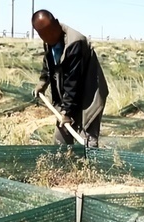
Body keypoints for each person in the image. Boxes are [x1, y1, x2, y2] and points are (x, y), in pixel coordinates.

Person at [32, 10, 109, 148]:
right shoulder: (49, 40)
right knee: (61, 140)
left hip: (88, 96)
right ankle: (66, 166)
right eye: (44, 35)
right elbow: (49, 63)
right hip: (68, 99)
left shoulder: (75, 42)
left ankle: (90, 167)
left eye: (51, 32)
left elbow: (73, 81)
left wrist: (67, 112)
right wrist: (43, 81)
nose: (50, 37)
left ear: (56, 22)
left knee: (87, 141)